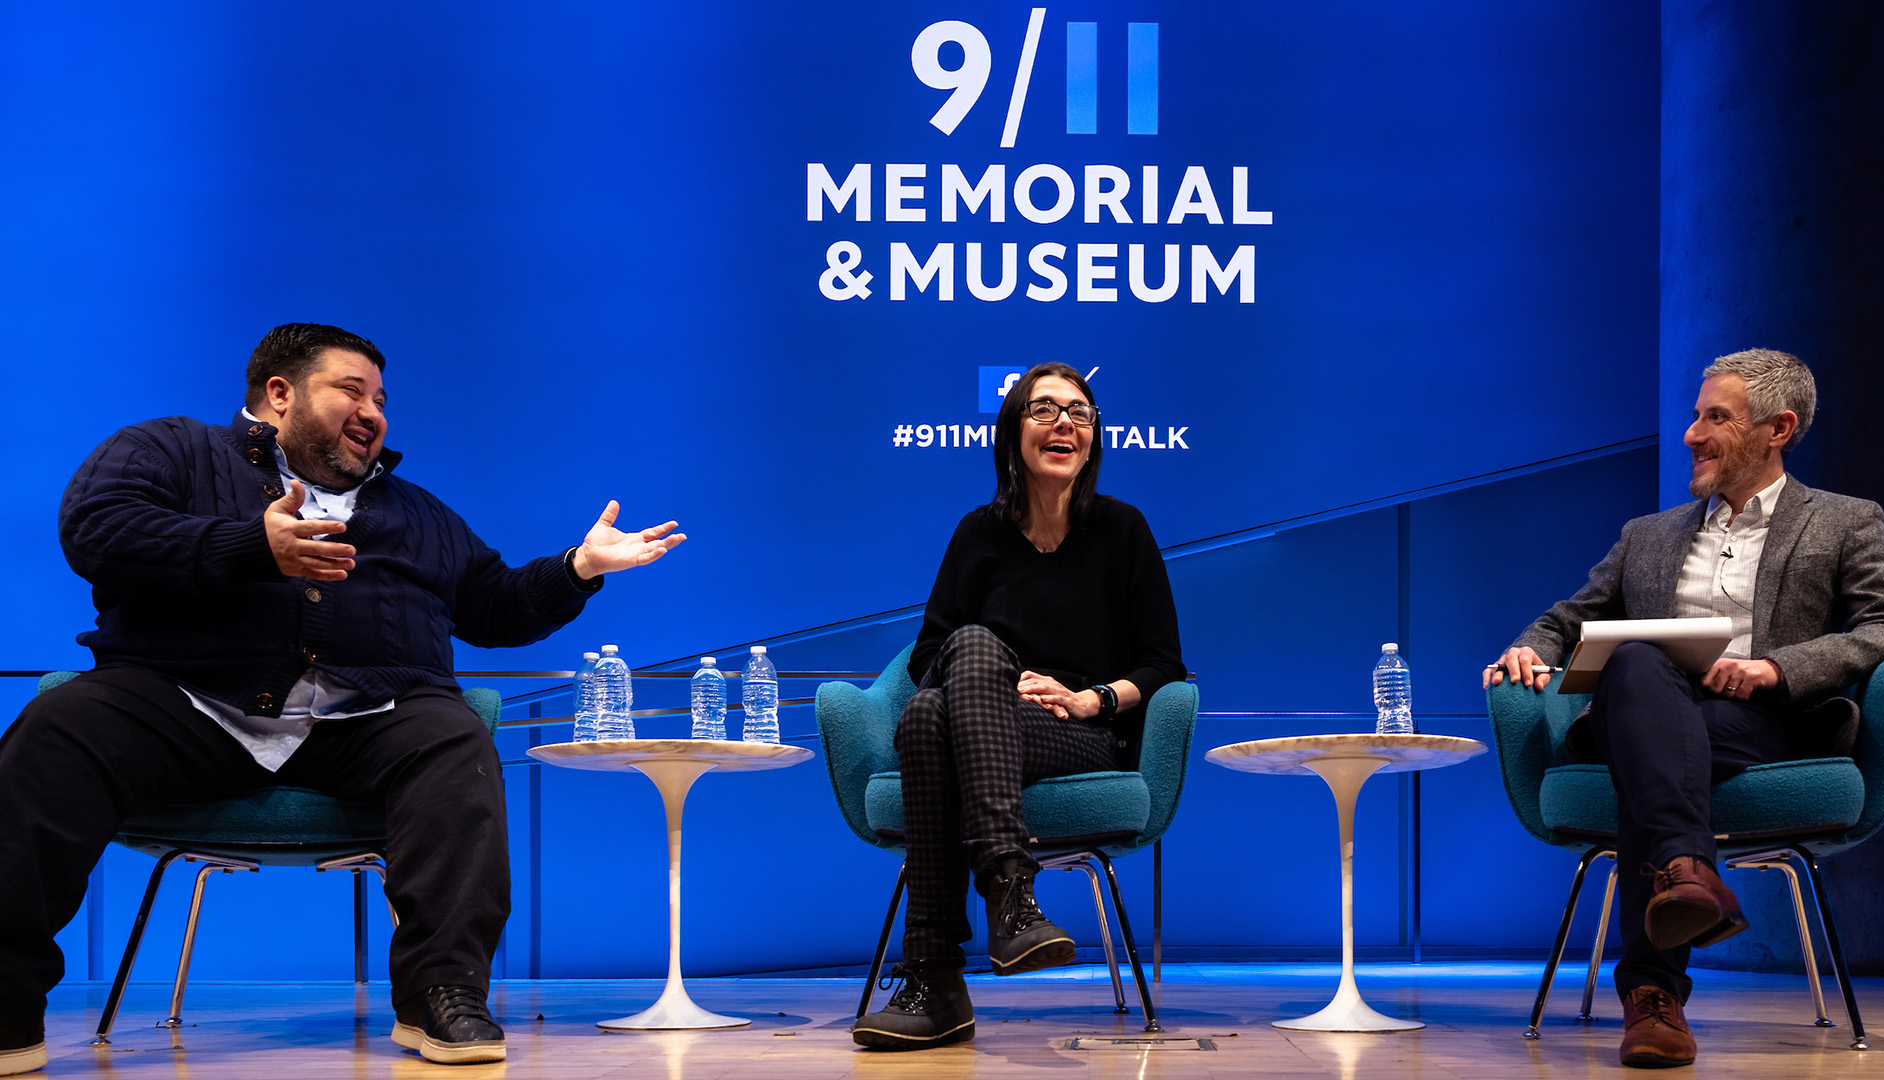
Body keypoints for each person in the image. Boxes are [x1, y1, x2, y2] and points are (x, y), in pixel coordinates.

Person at [0, 323, 685, 1074]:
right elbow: (98, 530)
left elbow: (493, 608)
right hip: (187, 701)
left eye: (382, 399)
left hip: (367, 720)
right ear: (279, 393)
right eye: (351, 391)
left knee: (453, 741)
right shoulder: (172, 450)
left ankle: (443, 995)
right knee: (60, 729)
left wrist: (578, 568)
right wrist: (250, 547)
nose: (374, 412)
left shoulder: (419, 513)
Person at [1484, 349, 1884, 1068]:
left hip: (1762, 724)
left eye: (1714, 417)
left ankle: (1653, 992)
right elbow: (1568, 619)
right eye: (1695, 415)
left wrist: (1776, 667)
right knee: (1635, 662)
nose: (1691, 433)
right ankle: (1686, 874)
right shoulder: (1646, 537)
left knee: (1643, 759)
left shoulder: (1846, 522)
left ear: (1778, 428)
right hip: (1645, 711)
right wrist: (1528, 647)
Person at [850, 362, 1185, 1051]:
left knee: (928, 718)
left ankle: (935, 975)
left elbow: (1162, 664)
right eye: (1044, 410)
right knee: (945, 684)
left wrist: (1090, 699)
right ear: (1014, 434)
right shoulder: (979, 533)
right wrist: (993, 682)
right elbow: (926, 657)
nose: (1064, 422)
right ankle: (1009, 892)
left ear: (1093, 438)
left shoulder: (1124, 531)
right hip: (990, 716)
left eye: (1079, 413)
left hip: (1080, 733)